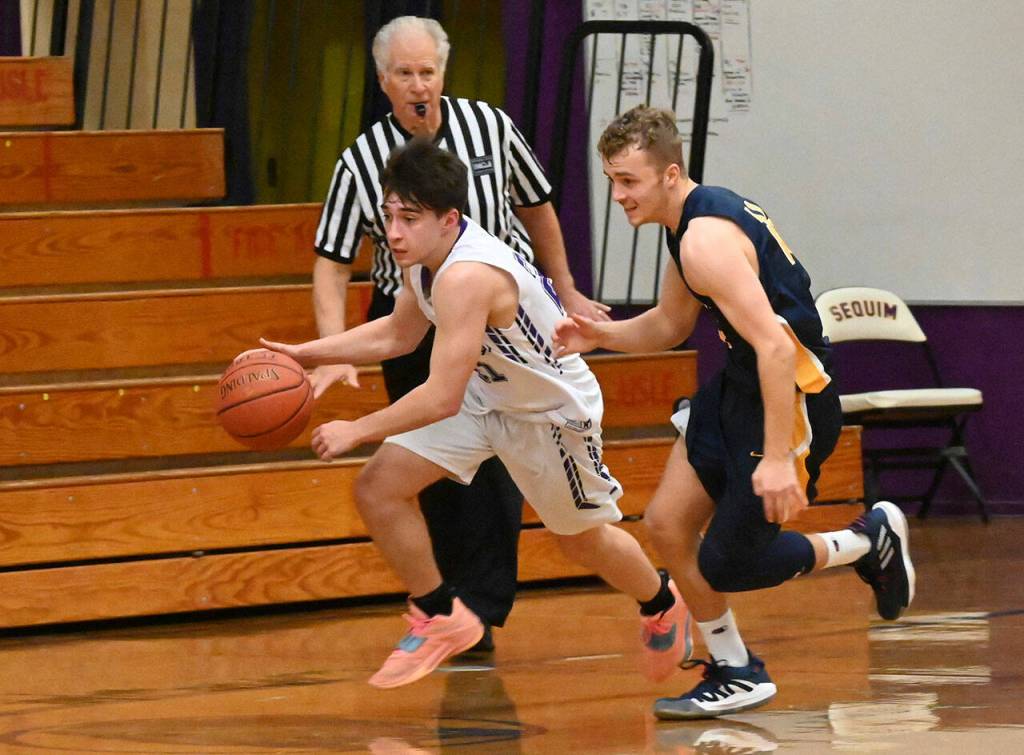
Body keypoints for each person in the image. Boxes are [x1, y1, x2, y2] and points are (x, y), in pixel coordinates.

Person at [261, 139, 690, 689]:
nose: (393, 232)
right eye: (389, 215)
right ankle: (443, 615)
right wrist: (309, 353)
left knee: (581, 540)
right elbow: (398, 334)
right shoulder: (424, 258)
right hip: (487, 397)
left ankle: (660, 601)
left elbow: (440, 395)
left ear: (449, 220)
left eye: (409, 218)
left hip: (549, 415)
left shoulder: (467, 276)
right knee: (378, 489)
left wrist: (357, 429)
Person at [552, 106, 916, 719]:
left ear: (669, 174)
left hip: (790, 393)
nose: (617, 194)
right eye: (612, 179)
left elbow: (776, 346)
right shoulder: (688, 220)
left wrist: (777, 459)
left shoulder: (704, 241)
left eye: (628, 180)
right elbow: (671, 324)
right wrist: (599, 337)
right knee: (667, 523)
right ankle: (735, 669)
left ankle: (865, 541)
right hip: (739, 388)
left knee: (731, 562)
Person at [310, 16, 608, 650]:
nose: (418, 84)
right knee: (430, 476)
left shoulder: (490, 126)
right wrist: (329, 347)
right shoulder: (361, 159)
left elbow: (538, 207)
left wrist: (569, 289)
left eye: (428, 71)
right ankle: (452, 611)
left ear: (443, 73)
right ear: (383, 81)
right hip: (414, 320)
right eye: (404, 74)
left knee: (501, 476)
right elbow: (333, 261)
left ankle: (483, 608)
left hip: (507, 320)